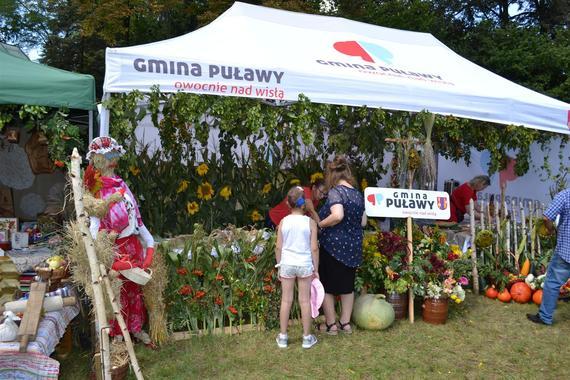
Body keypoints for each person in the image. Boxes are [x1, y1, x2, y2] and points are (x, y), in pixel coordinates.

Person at [83, 136, 156, 348]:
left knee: (134, 289)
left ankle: (135, 328)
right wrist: (101, 253)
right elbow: (95, 226)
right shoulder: (96, 191)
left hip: (132, 244)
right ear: (96, 160)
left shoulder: (121, 184)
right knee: (116, 291)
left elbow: (135, 216)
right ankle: (117, 336)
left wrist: (148, 242)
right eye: (106, 157)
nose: (112, 160)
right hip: (113, 248)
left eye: (113, 155)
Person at [315, 156, 366, 334]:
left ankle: (331, 325)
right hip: (353, 247)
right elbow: (364, 222)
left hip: (333, 246)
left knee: (327, 286)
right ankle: (345, 323)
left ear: (332, 174)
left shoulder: (337, 191)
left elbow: (337, 215)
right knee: (347, 286)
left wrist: (320, 225)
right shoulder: (358, 194)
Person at [274, 186, 319, 349]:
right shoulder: (311, 222)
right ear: (304, 205)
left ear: (288, 203)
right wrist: (316, 269)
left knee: (286, 300)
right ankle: (307, 338)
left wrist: (279, 265)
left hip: (287, 264)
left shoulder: (283, 222)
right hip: (305, 264)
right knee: (305, 301)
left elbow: (278, 247)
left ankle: (283, 337)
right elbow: (314, 248)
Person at [527, 189, 570, 325]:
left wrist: (550, 229)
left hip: (566, 250)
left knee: (552, 282)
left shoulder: (565, 195)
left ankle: (545, 317)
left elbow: (547, 217)